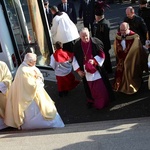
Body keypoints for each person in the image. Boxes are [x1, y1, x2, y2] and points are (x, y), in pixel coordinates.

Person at [4, 53, 65, 130]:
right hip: (28, 96)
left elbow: (38, 74)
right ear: (29, 61)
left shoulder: (30, 66)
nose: (35, 63)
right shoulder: (23, 70)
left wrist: (39, 77)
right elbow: (29, 85)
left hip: (37, 91)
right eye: (34, 61)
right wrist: (37, 80)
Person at [72, 27, 114, 109]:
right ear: (79, 36)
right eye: (83, 37)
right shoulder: (77, 46)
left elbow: (102, 55)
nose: (85, 38)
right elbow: (74, 59)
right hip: (85, 71)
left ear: (89, 34)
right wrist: (78, 71)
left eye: (87, 35)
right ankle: (91, 100)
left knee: (100, 87)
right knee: (89, 88)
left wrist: (94, 61)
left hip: (96, 69)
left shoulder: (95, 42)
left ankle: (103, 101)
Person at [113, 22, 148, 94]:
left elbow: (137, 49)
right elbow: (115, 45)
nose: (122, 32)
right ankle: (121, 85)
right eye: (121, 30)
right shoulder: (118, 35)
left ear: (128, 28)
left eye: (124, 30)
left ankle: (130, 86)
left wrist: (128, 57)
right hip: (121, 58)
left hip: (131, 59)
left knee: (130, 70)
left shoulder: (134, 36)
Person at [93, 0, 113, 74]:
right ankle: (109, 70)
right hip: (106, 44)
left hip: (103, 45)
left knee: (105, 58)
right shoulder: (106, 22)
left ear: (98, 17)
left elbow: (101, 36)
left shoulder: (101, 25)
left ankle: (108, 70)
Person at [0, 61, 12, 130]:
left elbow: (8, 77)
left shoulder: (2, 64)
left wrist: (2, 84)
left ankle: (6, 123)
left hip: (2, 91)